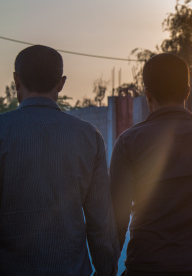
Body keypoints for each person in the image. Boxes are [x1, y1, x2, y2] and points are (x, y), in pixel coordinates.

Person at [110, 53, 192, 276]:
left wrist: (107, 267)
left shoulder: (129, 142)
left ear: (147, 94)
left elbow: (116, 219)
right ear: (187, 91)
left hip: (146, 266)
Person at [0, 45, 118, 276]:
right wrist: (106, 270)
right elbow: (100, 220)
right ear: (61, 83)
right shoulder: (89, 136)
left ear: (16, 80)